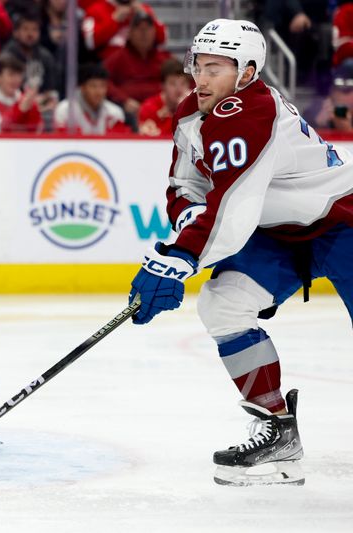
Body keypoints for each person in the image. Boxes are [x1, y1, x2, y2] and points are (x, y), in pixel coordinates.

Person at [127, 18, 353, 486]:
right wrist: (185, 232)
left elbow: (233, 207)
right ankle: (277, 433)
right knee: (224, 305)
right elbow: (186, 185)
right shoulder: (192, 111)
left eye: (216, 68)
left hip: (342, 221)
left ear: (247, 73)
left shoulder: (249, 112)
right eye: (198, 66)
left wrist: (178, 258)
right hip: (281, 234)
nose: (201, 78)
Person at [103, 10, 171, 127]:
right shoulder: (118, 57)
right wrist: (124, 100)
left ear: (154, 32)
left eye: (148, 29)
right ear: (130, 32)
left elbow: (182, 79)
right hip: (129, 112)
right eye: (139, 29)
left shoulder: (164, 58)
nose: (143, 33)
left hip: (160, 110)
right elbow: (102, 79)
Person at [53, 63, 129, 134]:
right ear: (82, 88)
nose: (99, 92)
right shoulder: (65, 110)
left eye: (103, 86)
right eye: (93, 86)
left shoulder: (115, 112)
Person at [0, 54, 42, 132]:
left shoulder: (22, 99)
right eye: (11, 75)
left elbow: (35, 129)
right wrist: (19, 110)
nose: (16, 80)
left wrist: (33, 108)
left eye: (19, 75)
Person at [137, 58, 192, 137]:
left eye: (183, 83)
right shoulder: (149, 108)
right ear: (162, 86)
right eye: (172, 83)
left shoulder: (195, 107)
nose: (179, 89)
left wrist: (186, 111)